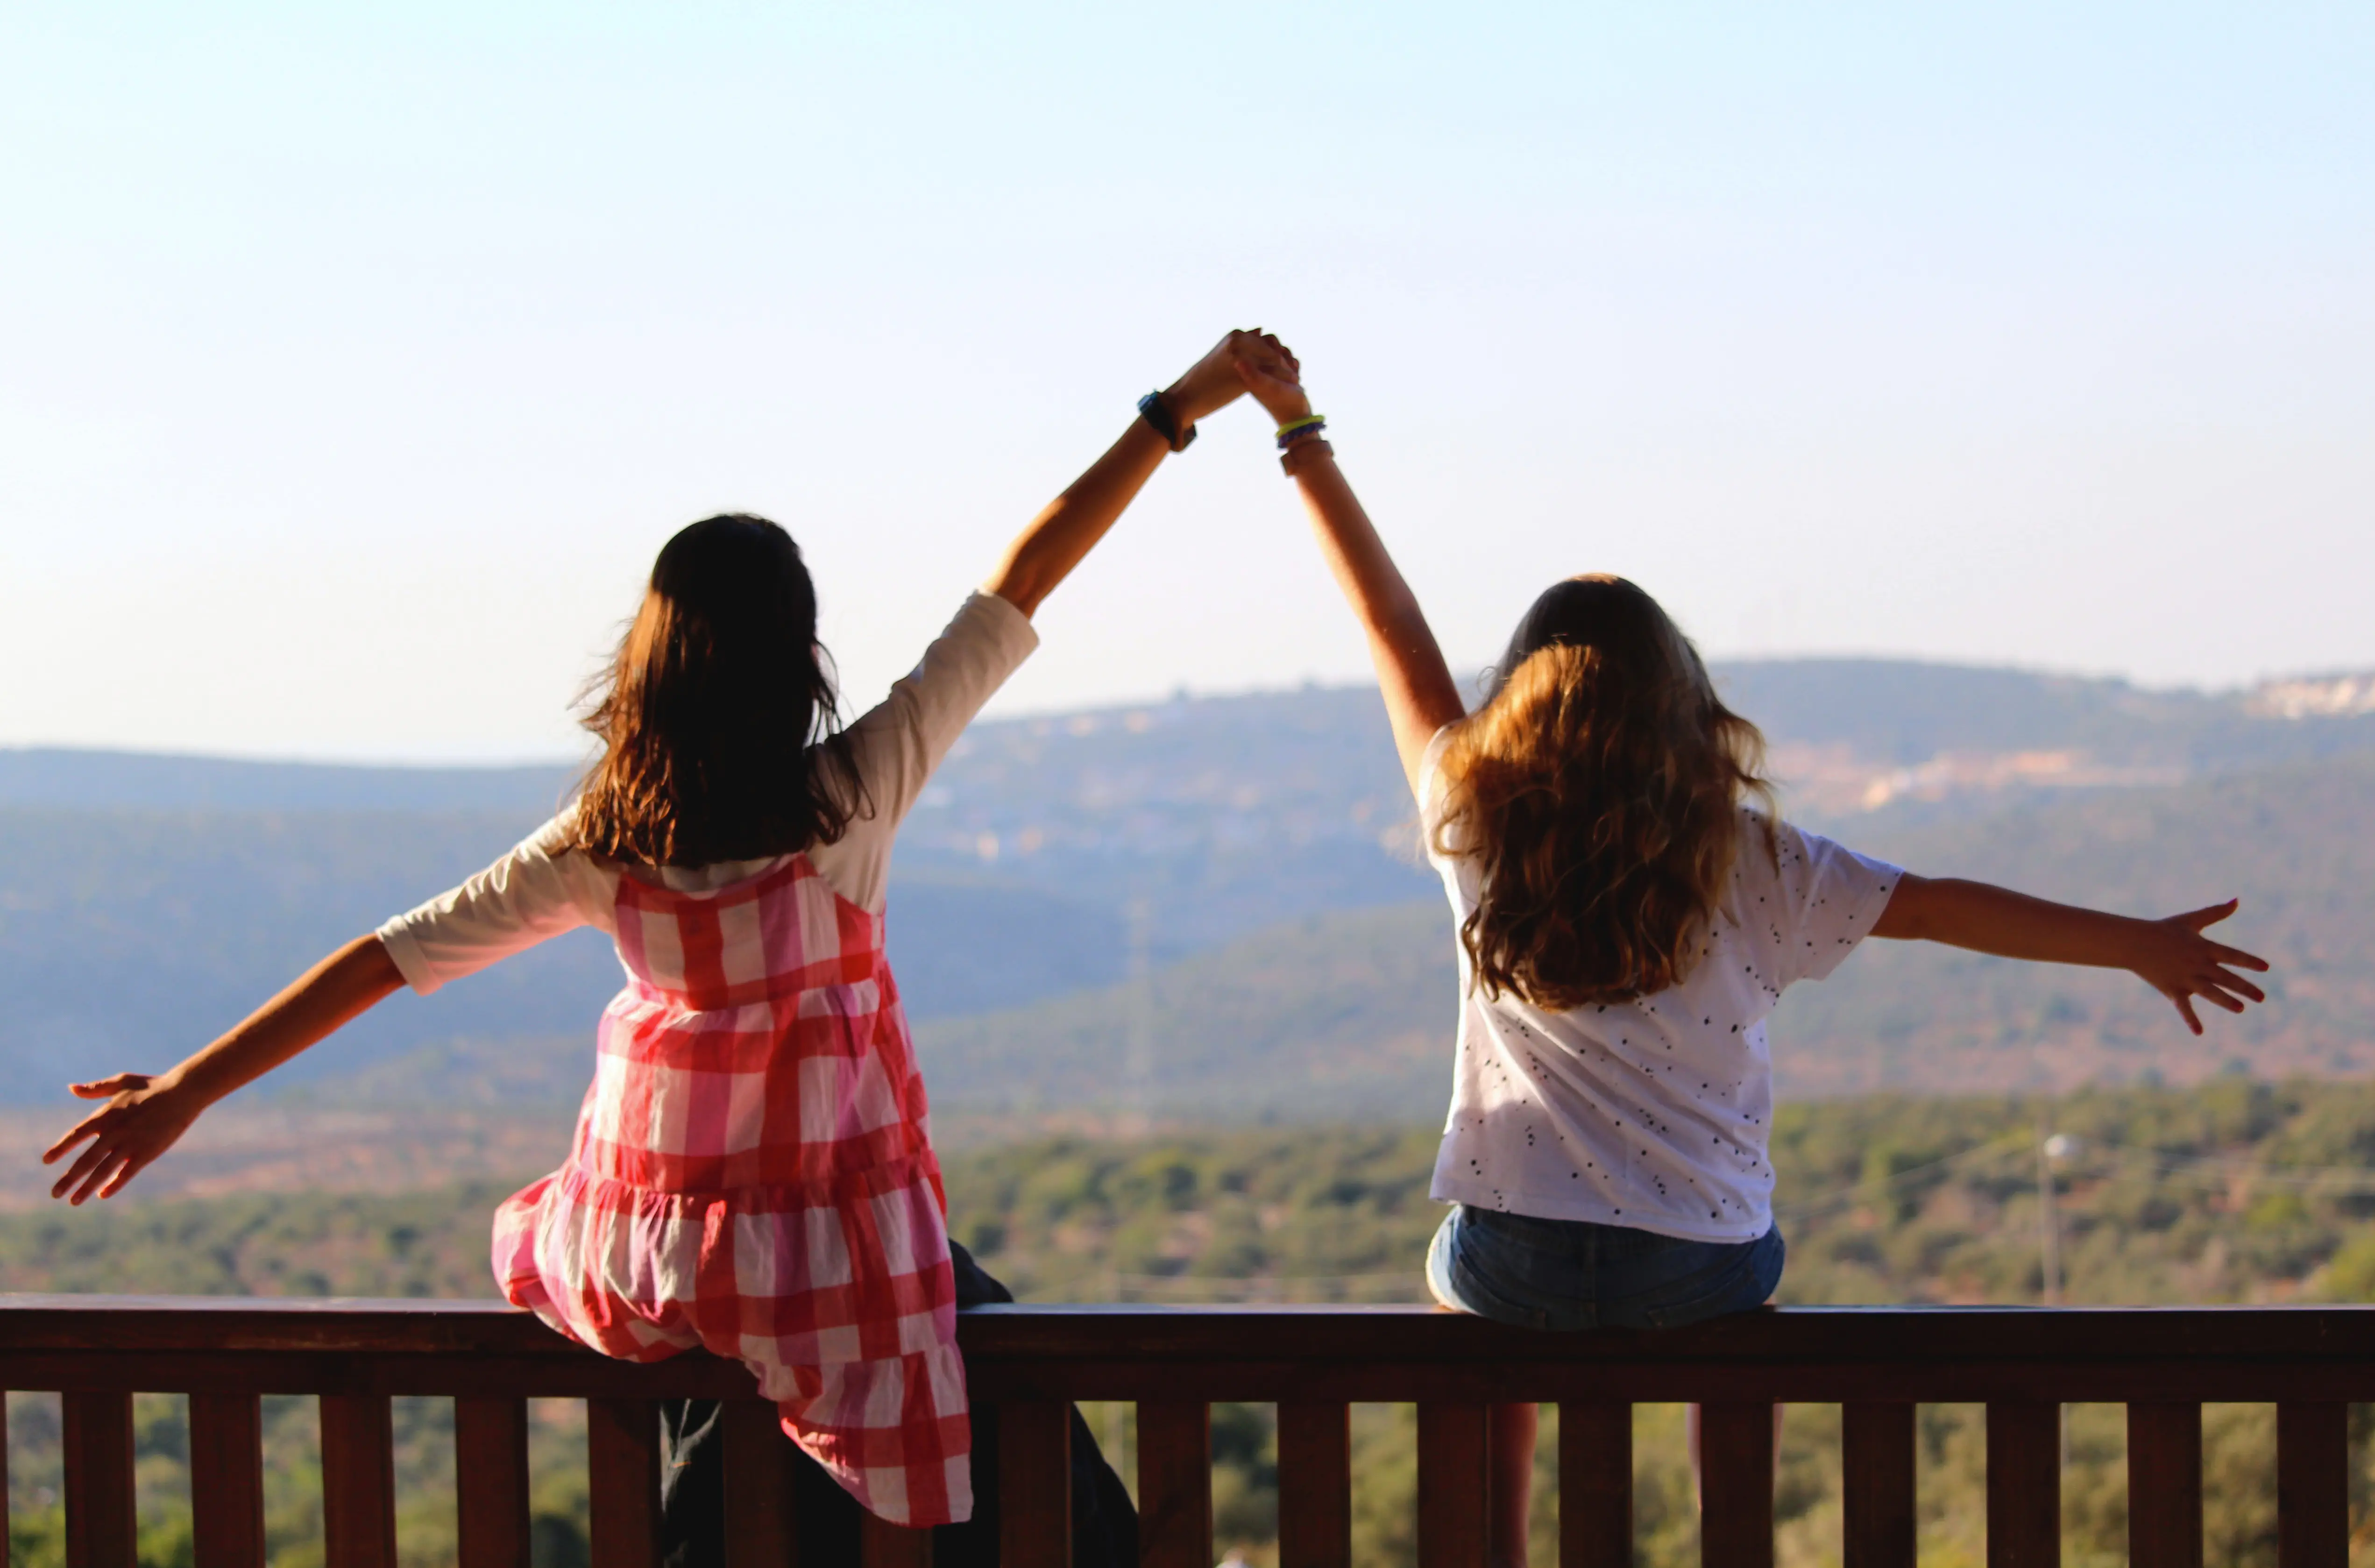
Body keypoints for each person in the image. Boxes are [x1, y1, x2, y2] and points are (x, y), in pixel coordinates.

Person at [43, 332, 1262, 1553]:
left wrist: (187, 1089)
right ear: (801, 662)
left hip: (656, 1260)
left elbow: (387, 959)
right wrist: (1176, 410)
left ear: (652, 663)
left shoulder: (603, 845)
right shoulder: (853, 801)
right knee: (1022, 1414)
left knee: (740, 1410)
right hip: (824, 1263)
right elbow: (1021, 581)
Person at [1228, 333, 2272, 1568]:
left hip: (1516, 1261)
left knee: (1461, 1300)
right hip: (1697, 1267)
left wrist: (1301, 434)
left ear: (1515, 697)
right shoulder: (1758, 861)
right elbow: (1941, 905)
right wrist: (2137, 945)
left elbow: (1387, 620)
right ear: (1685, 707)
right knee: (1745, 1285)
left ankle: (1495, 1546)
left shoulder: (1472, 813)